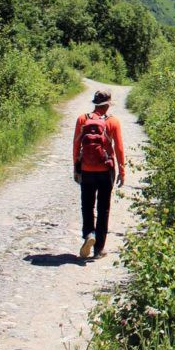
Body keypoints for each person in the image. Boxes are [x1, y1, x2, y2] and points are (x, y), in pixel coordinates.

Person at [72, 90, 125, 259]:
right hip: (105, 171)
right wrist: (122, 171)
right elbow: (119, 148)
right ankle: (99, 249)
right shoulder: (113, 122)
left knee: (87, 206)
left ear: (95, 103)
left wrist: (76, 167)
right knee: (104, 209)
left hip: (87, 170)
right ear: (108, 104)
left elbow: (76, 145)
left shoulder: (83, 119)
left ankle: (89, 234)